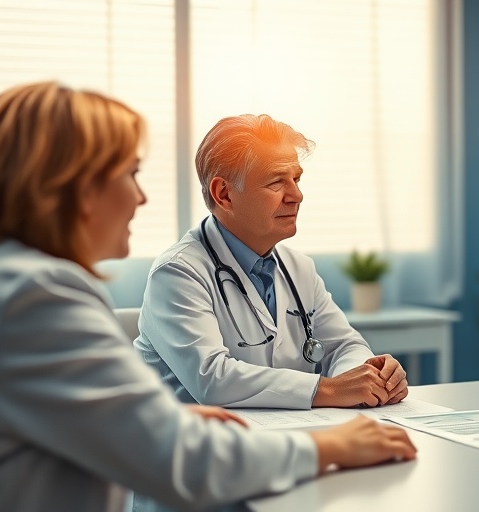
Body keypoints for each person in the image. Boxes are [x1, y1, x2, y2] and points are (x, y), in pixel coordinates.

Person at [0, 82, 416, 511]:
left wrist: (164, 417)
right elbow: (176, 456)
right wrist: (333, 447)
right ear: (75, 189)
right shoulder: (35, 298)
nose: (141, 198)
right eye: (130, 174)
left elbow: (77, 421)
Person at [134, 114, 408, 410]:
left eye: (297, 178)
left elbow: (344, 345)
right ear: (224, 194)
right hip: (197, 448)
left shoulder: (298, 267)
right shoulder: (177, 272)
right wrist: (328, 389)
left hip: (286, 438)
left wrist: (367, 375)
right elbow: (212, 379)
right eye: (277, 182)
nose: (297, 195)